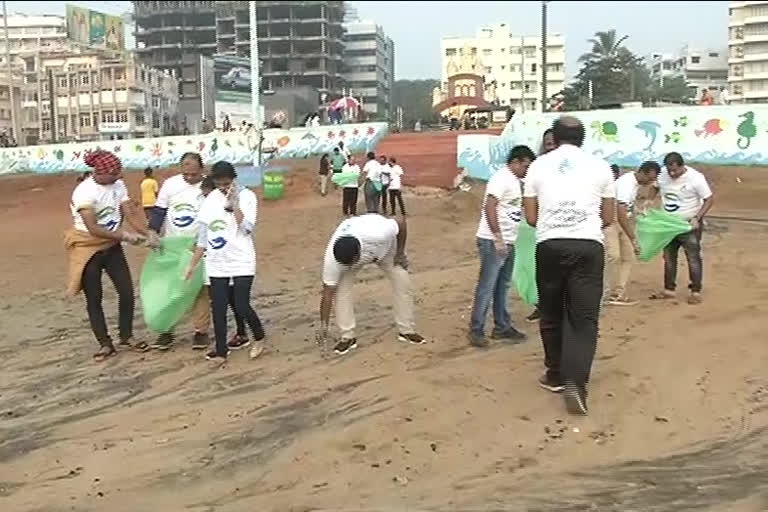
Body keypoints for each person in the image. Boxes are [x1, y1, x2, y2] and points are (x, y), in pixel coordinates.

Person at [523, 116, 616, 415]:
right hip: (588, 246)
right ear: (582, 138)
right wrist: (582, 224)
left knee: (551, 312)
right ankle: (577, 380)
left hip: (550, 245)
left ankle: (554, 375)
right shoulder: (601, 167)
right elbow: (609, 216)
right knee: (584, 318)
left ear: (555, 137)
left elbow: (531, 218)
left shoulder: (538, 166)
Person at [64, 150, 154, 361]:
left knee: (126, 290)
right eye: (114, 174)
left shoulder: (118, 185)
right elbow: (92, 227)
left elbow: (129, 213)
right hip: (88, 246)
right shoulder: (84, 192)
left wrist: (147, 233)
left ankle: (126, 336)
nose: (117, 177)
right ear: (101, 172)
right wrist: (124, 236)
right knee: (94, 298)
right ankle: (104, 343)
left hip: (112, 246)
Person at [186, 161, 266, 361]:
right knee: (219, 307)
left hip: (241, 259)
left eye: (227, 183)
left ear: (234, 180)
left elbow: (247, 229)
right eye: (219, 184)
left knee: (241, 304)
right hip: (217, 262)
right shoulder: (210, 200)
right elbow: (203, 239)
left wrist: (235, 205)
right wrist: (192, 265)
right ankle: (221, 349)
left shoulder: (248, 196)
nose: (223, 188)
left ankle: (259, 336)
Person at [315, 214, 426, 355]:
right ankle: (347, 337)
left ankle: (406, 330)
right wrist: (323, 326)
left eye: (350, 263)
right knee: (341, 290)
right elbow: (327, 293)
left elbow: (401, 221)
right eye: (344, 264)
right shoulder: (333, 260)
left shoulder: (379, 233)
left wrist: (400, 253)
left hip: (385, 249)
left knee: (402, 282)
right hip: (356, 249)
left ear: (358, 255)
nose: (346, 266)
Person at [469, 145, 536, 348]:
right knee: (487, 285)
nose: (527, 170)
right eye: (525, 165)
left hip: (509, 240)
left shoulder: (517, 181)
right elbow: (490, 206)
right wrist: (497, 237)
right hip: (493, 241)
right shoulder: (501, 178)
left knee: (502, 285)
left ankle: (502, 326)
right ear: (515, 161)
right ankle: (476, 329)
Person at [147, 152, 211, 351]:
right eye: (186, 174)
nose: (190, 178)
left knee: (199, 289)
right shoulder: (170, 185)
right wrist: (152, 232)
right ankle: (166, 331)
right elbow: (159, 212)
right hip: (172, 244)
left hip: (199, 245)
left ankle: (201, 332)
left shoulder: (210, 186)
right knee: (171, 288)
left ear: (202, 169)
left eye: (193, 174)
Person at [652, 152, 714, 305]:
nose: (672, 173)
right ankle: (669, 289)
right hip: (667, 225)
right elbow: (654, 188)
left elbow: (709, 199)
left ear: (682, 166)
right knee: (668, 257)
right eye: (669, 170)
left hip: (688, 225)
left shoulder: (696, 178)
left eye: (675, 170)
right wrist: (650, 200)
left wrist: (697, 218)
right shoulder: (662, 175)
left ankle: (695, 291)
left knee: (693, 258)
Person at [604, 161, 661, 306]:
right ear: (642, 172)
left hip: (625, 221)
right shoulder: (626, 183)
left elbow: (628, 208)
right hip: (613, 221)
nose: (650, 182)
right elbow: (621, 212)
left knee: (628, 257)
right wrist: (633, 237)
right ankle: (605, 292)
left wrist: (638, 212)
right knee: (613, 256)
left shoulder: (635, 184)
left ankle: (618, 293)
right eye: (649, 178)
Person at [526, 128, 557, 324]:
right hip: (544, 226)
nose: (551, 145)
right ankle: (542, 306)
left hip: (567, 224)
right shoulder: (537, 168)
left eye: (554, 142)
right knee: (543, 270)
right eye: (547, 143)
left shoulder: (572, 167)